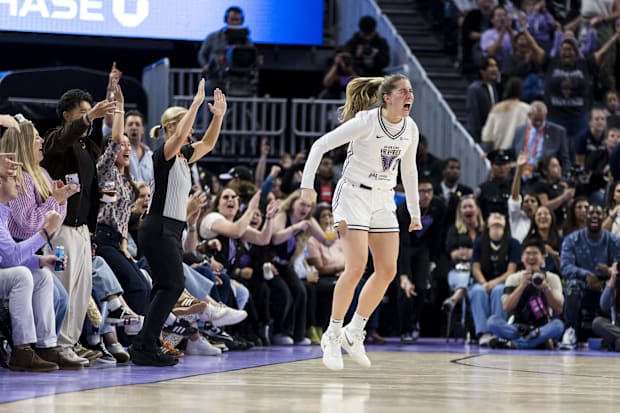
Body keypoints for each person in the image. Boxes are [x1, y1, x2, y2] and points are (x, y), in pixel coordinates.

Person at [299, 74, 422, 370]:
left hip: (383, 199)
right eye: (403, 91)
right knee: (355, 267)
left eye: (411, 92)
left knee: (388, 270)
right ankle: (331, 333)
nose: (410, 96)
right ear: (387, 97)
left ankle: (354, 332)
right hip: (353, 195)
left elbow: (410, 171)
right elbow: (319, 146)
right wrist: (307, 185)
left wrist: (414, 212)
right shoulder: (367, 121)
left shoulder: (411, 129)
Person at [130, 79, 227, 366]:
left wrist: (218, 115)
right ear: (172, 127)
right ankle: (145, 344)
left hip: (170, 229)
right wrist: (196, 104)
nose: (191, 130)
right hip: (158, 226)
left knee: (166, 287)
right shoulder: (164, 154)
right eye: (185, 124)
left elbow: (208, 142)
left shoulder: (184, 158)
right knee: (172, 286)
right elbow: (186, 132)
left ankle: (146, 343)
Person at [41, 88, 115, 357]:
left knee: (82, 292)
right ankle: (56, 343)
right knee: (64, 286)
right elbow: (61, 139)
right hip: (61, 228)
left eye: (90, 112)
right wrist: (89, 118)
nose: (89, 118)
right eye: (83, 113)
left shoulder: (87, 146)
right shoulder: (55, 139)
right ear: (67, 115)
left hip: (83, 229)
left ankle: (70, 342)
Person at [487, 239, 565, 349]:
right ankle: (537, 341)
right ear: (522, 258)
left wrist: (546, 288)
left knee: (558, 325)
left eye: (535, 253)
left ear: (543, 257)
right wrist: (521, 286)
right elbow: (507, 307)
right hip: (518, 327)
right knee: (492, 321)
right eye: (528, 254)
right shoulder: (513, 278)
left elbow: (559, 309)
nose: (531, 257)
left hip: (543, 326)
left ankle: (514, 344)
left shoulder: (552, 278)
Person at [196, 5, 255, 95]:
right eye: (232, 19)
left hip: (238, 79)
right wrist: (205, 65)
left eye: (237, 20)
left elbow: (252, 56)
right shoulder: (213, 37)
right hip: (215, 77)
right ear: (226, 19)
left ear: (241, 21)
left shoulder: (247, 41)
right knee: (208, 88)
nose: (234, 23)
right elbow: (202, 54)